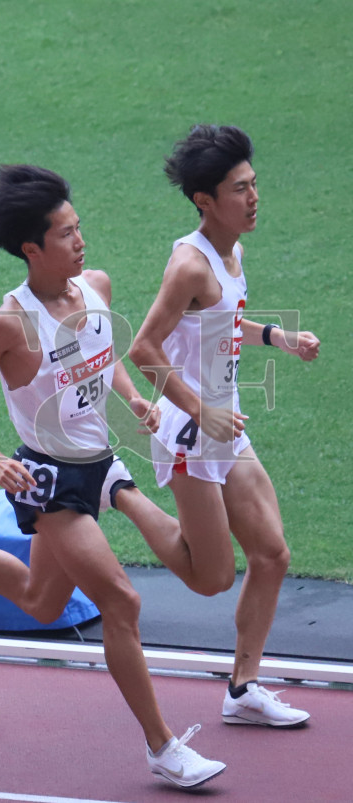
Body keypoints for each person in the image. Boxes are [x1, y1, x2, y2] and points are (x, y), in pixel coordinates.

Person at [0, 164, 226, 788]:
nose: (80, 241)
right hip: (49, 482)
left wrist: (130, 398)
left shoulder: (97, 287)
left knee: (42, 600)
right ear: (31, 248)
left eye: (78, 227)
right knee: (122, 600)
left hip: (101, 464)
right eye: (65, 234)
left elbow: (103, 355)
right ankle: (163, 747)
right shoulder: (10, 324)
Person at [128, 124, 318, 727]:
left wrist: (278, 337)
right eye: (240, 189)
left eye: (254, 184)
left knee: (273, 554)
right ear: (204, 201)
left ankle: (242, 690)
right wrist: (198, 409)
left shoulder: (233, 252)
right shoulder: (189, 264)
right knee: (211, 578)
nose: (254, 197)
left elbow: (224, 322)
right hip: (191, 432)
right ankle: (119, 493)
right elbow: (143, 348)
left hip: (224, 422)